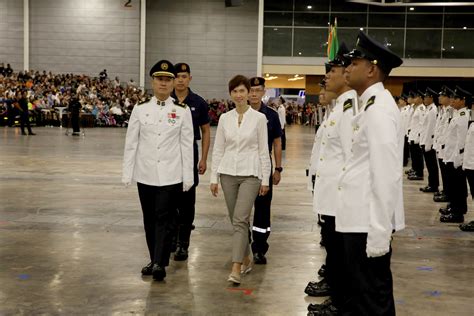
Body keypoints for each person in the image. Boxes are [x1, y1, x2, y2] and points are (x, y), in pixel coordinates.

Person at [335, 31, 404, 315]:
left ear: (372, 69)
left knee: (372, 300)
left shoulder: (379, 110)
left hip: (367, 224)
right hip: (357, 219)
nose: (348, 68)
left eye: (355, 62)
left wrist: (378, 233)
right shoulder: (370, 105)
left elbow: (386, 174)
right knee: (363, 297)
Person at [122, 60, 194, 281]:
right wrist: (127, 172)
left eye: (168, 79)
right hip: (145, 173)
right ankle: (155, 258)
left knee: (164, 217)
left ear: (173, 83)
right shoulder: (140, 108)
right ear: (152, 82)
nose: (163, 83)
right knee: (149, 219)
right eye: (159, 79)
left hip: (171, 174)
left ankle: (160, 263)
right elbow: (131, 142)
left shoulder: (182, 111)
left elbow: (186, 144)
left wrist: (188, 177)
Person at [306, 43, 357, 314]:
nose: (326, 77)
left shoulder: (350, 111)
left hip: (340, 201)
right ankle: (337, 300)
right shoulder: (339, 109)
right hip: (330, 199)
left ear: (346, 74)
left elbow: (352, 160)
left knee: (340, 256)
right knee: (335, 254)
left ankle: (340, 305)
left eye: (333, 70)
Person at [210, 75, 271, 285]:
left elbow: (264, 150)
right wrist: (213, 177)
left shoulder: (259, 119)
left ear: (249, 93)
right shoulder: (225, 118)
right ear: (230, 94)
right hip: (227, 173)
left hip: (251, 174)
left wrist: (266, 180)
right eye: (234, 91)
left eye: (242, 91)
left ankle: (236, 267)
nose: (239, 95)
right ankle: (245, 257)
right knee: (236, 220)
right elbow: (218, 149)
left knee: (240, 219)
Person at [171, 62, 211, 261]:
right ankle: (170, 238)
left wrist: (203, 158)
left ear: (190, 78)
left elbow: (205, 131)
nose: (180, 79)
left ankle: (183, 244)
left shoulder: (199, 102)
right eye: (177, 76)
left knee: (187, 201)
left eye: (184, 76)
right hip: (168, 155)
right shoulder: (165, 99)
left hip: (189, 153)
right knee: (168, 199)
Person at [248, 76, 282, 265]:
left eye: (257, 90)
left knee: (262, 209)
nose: (253, 93)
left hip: (263, 168)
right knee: (241, 210)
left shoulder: (271, 115)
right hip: (242, 168)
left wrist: (278, 169)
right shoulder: (237, 113)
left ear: (263, 92)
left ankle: (259, 248)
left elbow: (277, 143)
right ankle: (243, 245)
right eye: (251, 90)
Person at [439, 86, 470, 223]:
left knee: (458, 186)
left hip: (457, 158)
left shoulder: (463, 116)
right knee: (453, 184)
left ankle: (458, 213)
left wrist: (458, 158)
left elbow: (462, 140)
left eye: (455, 98)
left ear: (463, 101)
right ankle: (454, 207)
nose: (453, 100)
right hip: (451, 156)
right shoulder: (457, 114)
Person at [419, 88, 440, 193]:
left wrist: (427, 143)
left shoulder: (433, 110)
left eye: (427, 97)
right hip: (425, 140)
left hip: (429, 142)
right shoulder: (429, 109)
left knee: (432, 165)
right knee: (429, 165)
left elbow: (430, 128)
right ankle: (431, 183)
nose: (425, 99)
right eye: (424, 97)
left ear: (431, 98)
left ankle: (434, 185)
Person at [407, 90, 425, 181]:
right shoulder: (416, 107)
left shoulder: (422, 108)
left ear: (421, 98)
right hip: (413, 134)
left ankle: (419, 173)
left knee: (418, 155)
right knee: (414, 154)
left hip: (417, 135)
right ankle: (415, 170)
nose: (415, 98)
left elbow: (422, 124)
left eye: (417, 97)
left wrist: (419, 136)